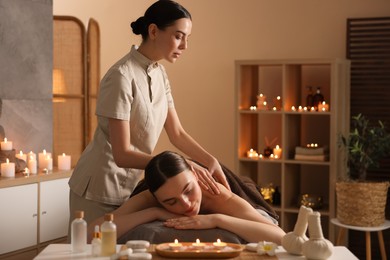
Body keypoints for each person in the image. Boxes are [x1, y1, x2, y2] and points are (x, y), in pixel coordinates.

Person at [68, 0, 229, 228]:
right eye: (178, 36)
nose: (184, 46)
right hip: (97, 188)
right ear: (153, 31)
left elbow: (177, 133)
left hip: (130, 187)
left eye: (187, 38)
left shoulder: (159, 73)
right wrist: (182, 166)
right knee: (91, 251)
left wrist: (210, 161)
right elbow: (122, 154)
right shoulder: (121, 77)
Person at [88, 151, 286, 244]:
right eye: (170, 202)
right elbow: (90, 233)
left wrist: (216, 219)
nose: (186, 204)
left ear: (195, 175)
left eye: (188, 190)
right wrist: (153, 212)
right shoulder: (149, 198)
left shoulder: (218, 196)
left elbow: (280, 237)